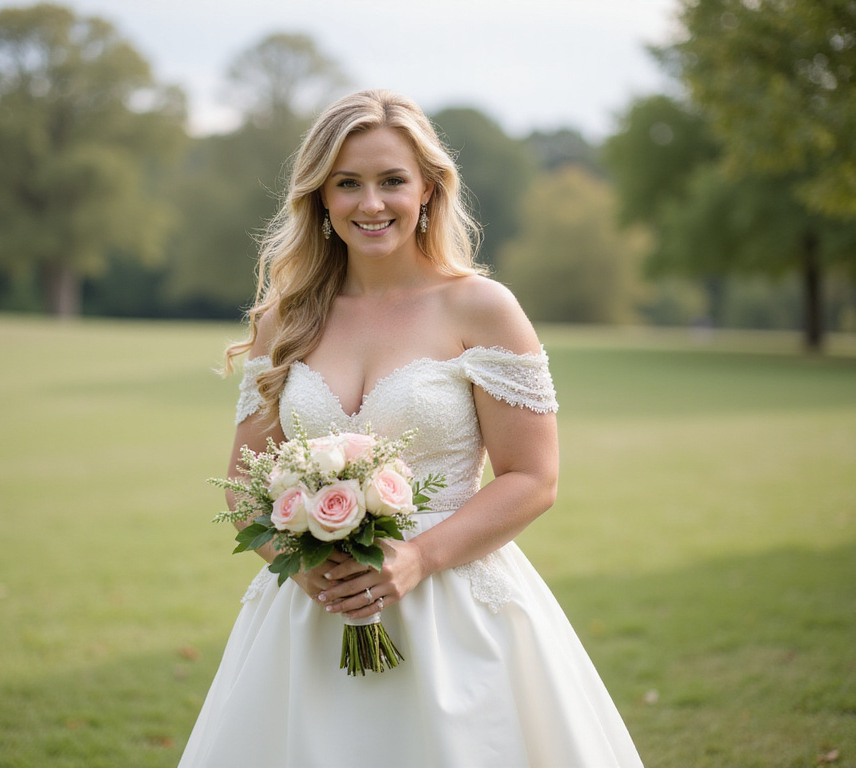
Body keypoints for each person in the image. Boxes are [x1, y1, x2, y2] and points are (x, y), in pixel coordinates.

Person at [178, 89, 643, 768]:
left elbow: (533, 478)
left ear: (427, 189)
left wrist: (418, 558)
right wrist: (304, 571)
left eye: (392, 180)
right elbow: (245, 483)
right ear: (322, 198)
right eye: (348, 184)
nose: (371, 204)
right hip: (312, 613)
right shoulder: (284, 322)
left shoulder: (481, 309)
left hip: (456, 613)